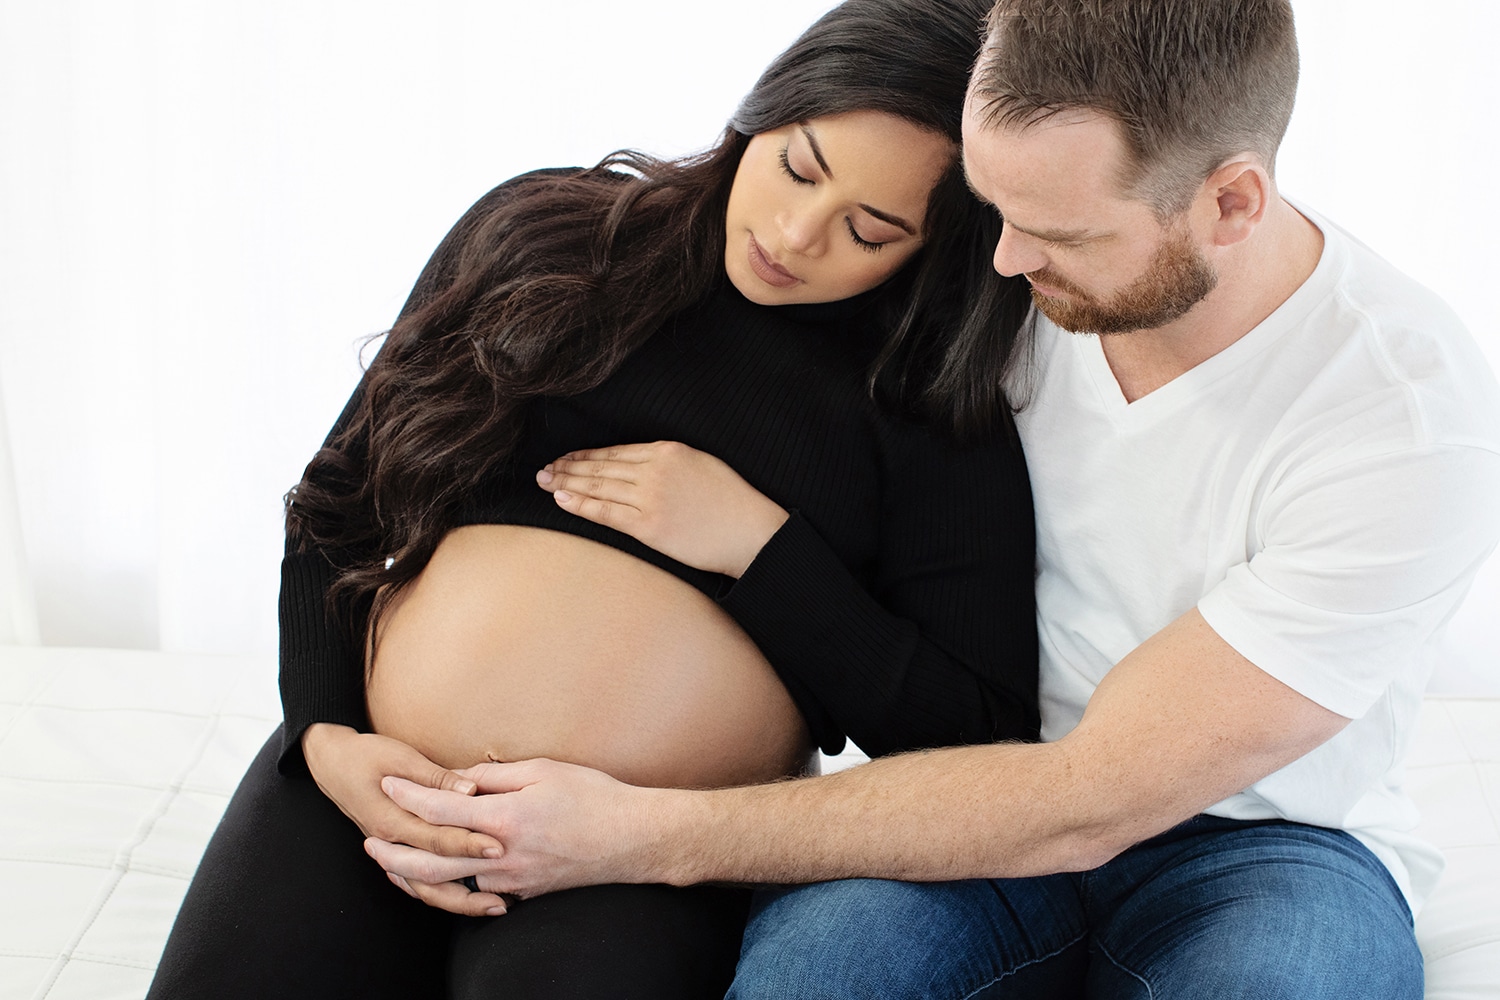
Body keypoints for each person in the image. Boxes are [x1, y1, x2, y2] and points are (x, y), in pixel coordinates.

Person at [365, 1, 1500, 997]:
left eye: (1057, 233)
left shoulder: (1399, 417)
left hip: (1260, 843)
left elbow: (1090, 798)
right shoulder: (990, 288)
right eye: (989, 207)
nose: (1002, 264)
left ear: (1233, 203)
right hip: (954, 797)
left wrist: (644, 833)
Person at [147, 2, 1041, 998]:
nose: (796, 234)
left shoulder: (925, 411)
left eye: (869, 228)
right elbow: (335, 504)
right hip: (377, 786)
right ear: (763, 112)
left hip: (630, 862)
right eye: (798, 167)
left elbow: (978, 734)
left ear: (936, 249)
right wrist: (326, 737)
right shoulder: (550, 237)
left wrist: (758, 548)